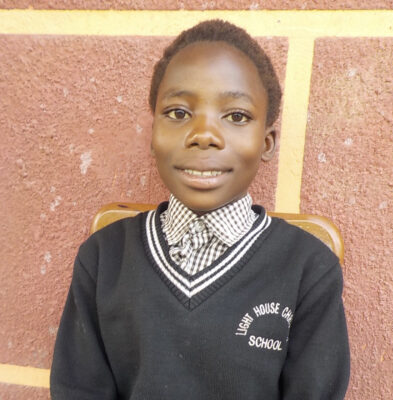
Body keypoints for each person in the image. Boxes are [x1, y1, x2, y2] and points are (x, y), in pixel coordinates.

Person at [50, 20, 350, 399]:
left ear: (267, 143)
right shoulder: (104, 257)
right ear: (153, 135)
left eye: (236, 116)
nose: (204, 135)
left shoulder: (309, 269)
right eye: (178, 113)